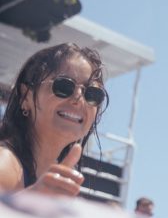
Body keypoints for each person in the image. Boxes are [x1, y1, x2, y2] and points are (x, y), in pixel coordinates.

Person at [0, 43, 107, 196]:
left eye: (92, 94)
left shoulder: (52, 183)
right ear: (26, 96)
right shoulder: (4, 163)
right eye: (63, 86)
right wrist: (32, 199)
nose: (78, 98)